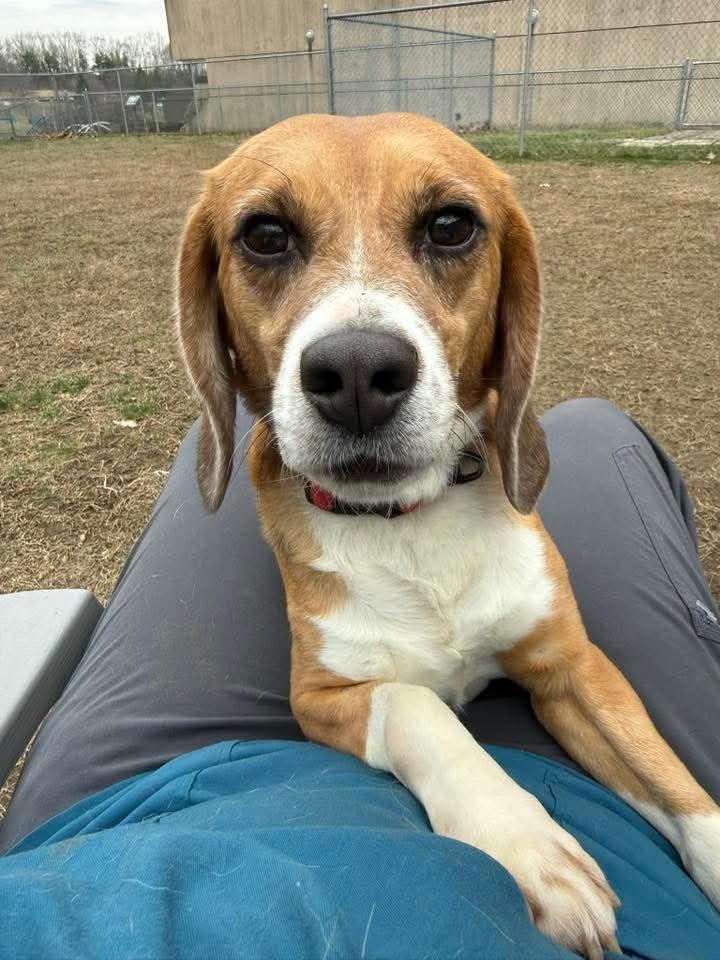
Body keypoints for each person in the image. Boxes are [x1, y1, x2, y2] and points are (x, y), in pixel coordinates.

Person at [1, 398, 719, 959]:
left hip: (121, 820)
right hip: (613, 853)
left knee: (209, 444)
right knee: (598, 428)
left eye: (446, 230)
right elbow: (563, 676)